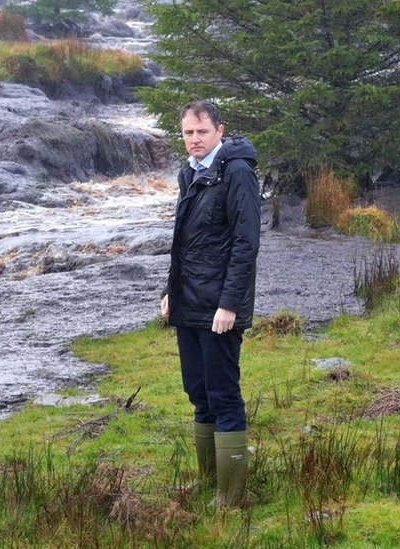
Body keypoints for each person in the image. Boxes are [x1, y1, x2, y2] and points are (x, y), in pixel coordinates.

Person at [160, 101, 260, 507]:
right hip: (190, 302)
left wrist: (230, 304)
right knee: (197, 392)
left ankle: (232, 496)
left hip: (221, 307)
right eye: (188, 133)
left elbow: (245, 243)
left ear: (220, 130)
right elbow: (183, 242)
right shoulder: (191, 172)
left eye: (202, 132)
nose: (195, 140)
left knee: (222, 394)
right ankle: (209, 482)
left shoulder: (237, 172)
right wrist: (171, 291)